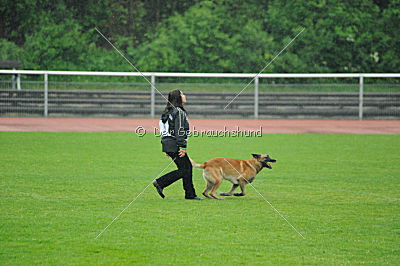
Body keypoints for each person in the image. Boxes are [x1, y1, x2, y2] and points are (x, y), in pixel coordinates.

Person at [153, 89, 203, 200]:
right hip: (175, 143)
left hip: (168, 143)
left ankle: (190, 194)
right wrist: (182, 146)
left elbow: (163, 129)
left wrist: (166, 146)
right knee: (185, 169)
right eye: (182, 94)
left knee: (186, 167)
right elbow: (179, 130)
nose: (184, 96)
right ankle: (160, 183)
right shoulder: (179, 112)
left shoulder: (167, 111)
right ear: (178, 98)